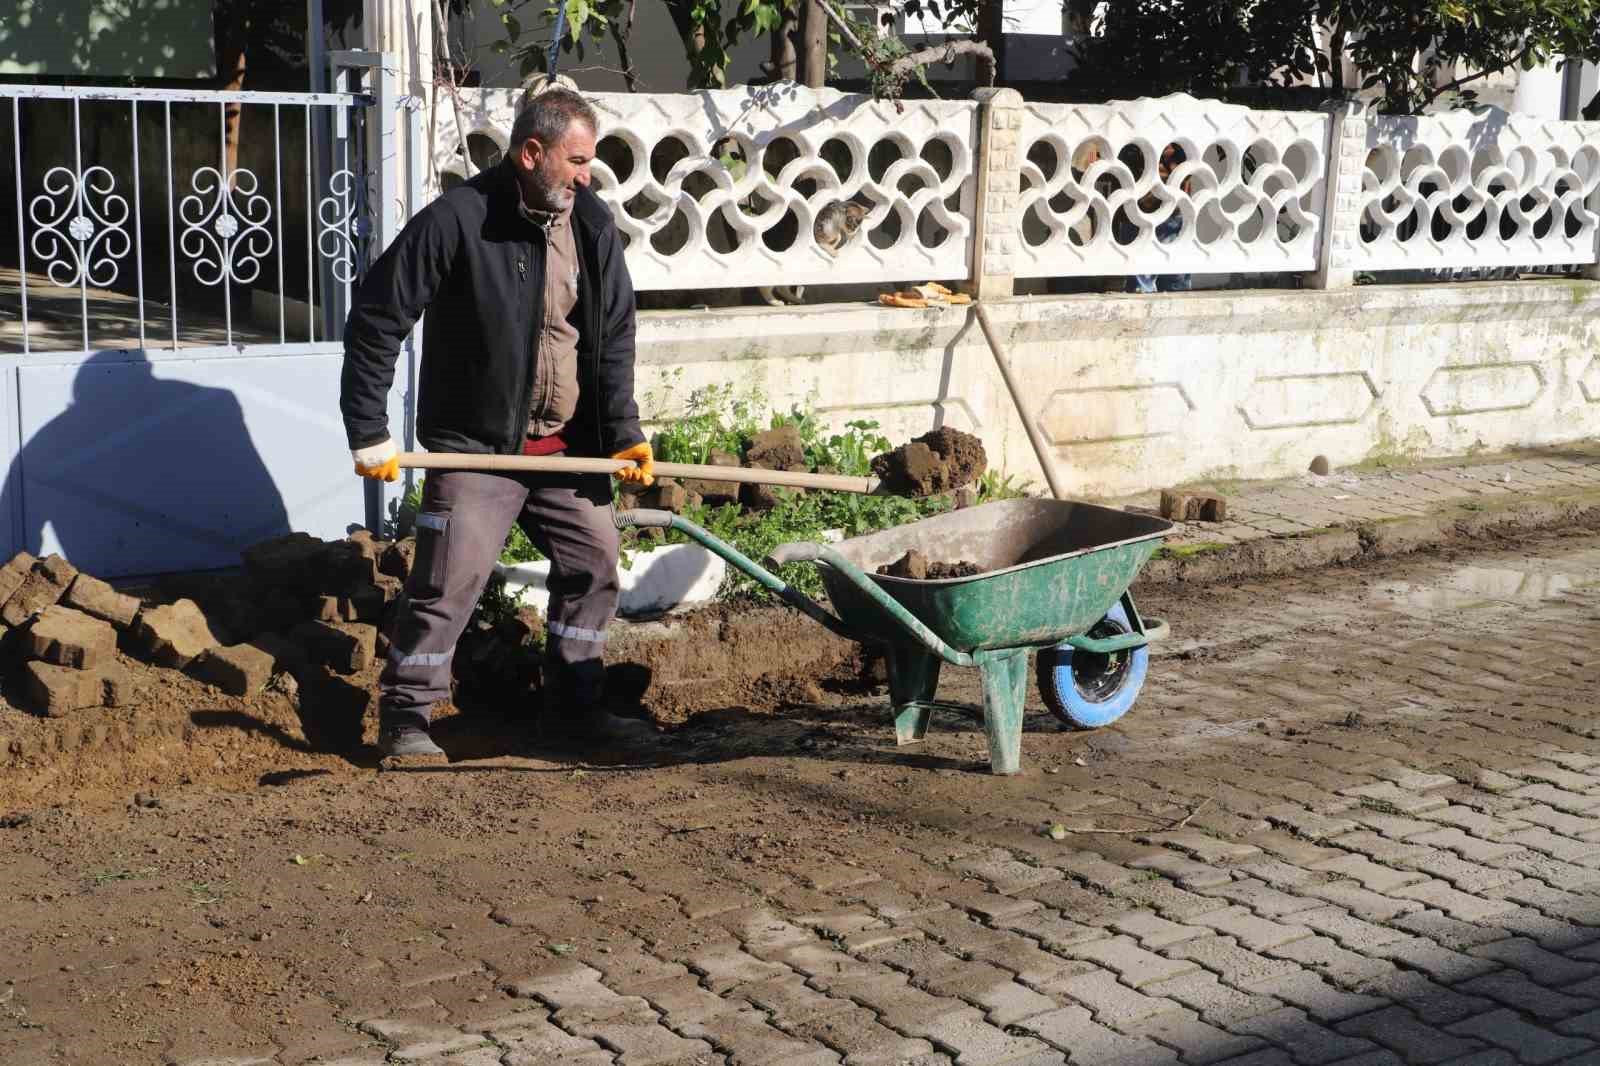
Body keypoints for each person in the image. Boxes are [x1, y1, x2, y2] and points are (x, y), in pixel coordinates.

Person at [340, 87, 656, 761]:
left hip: (567, 450)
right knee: (448, 583)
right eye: (577, 160)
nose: (587, 176)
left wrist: (624, 429)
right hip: (477, 447)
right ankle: (406, 719)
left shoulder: (592, 225)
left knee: (595, 564)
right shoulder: (459, 220)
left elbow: (613, 335)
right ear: (531, 153)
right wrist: (368, 427)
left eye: (590, 161)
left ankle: (574, 710)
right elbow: (377, 318)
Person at [1113, 142, 1193, 295]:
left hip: (1169, 210)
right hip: (1139, 212)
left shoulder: (1177, 145)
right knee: (1147, 288)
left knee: (1174, 287)